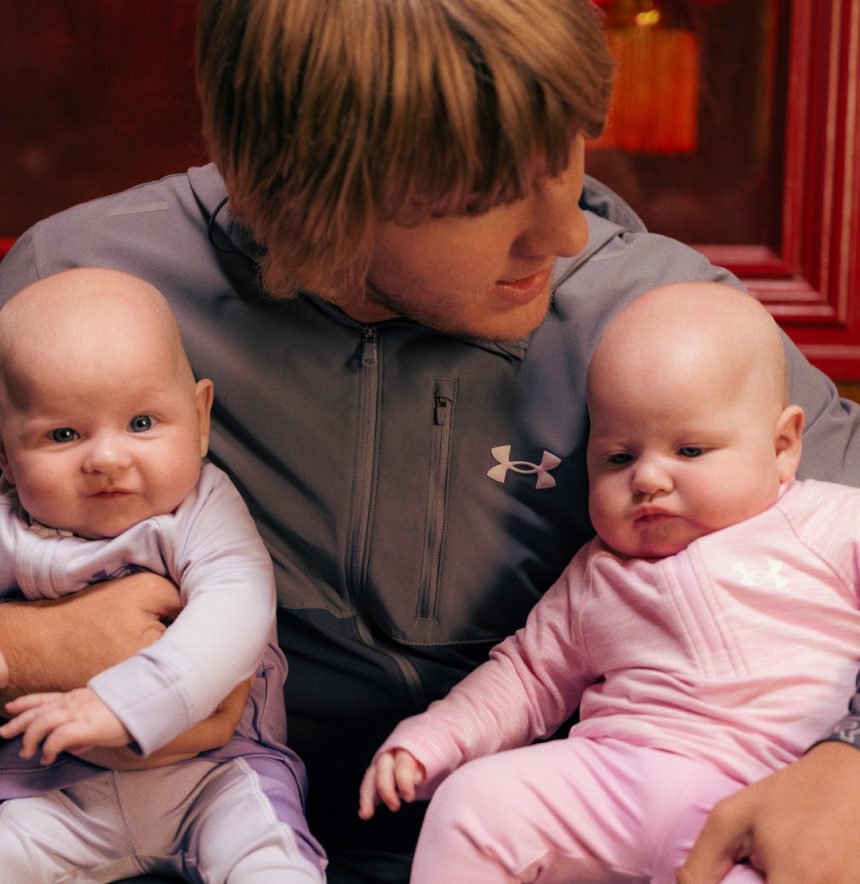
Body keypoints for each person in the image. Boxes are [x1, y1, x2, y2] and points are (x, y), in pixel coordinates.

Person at [1, 1, 860, 881]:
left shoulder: (669, 322)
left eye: (566, 152)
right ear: (305, 194)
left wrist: (849, 760)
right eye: (486, 198)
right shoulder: (73, 297)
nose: (564, 232)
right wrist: (21, 649)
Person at [359, 280, 860, 882]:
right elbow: (527, 676)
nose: (647, 479)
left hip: (770, 793)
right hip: (614, 782)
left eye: (691, 450)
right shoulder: (597, 573)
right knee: (473, 802)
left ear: (782, 447)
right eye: (619, 458)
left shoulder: (827, 522)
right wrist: (437, 738)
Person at [0, 268, 326, 882]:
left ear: (200, 418)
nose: (106, 458)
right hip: (49, 790)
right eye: (63, 434)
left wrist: (126, 704)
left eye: (142, 423)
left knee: (268, 854)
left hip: (216, 774)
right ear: (4, 453)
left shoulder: (201, 510)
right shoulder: (11, 525)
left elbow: (236, 608)